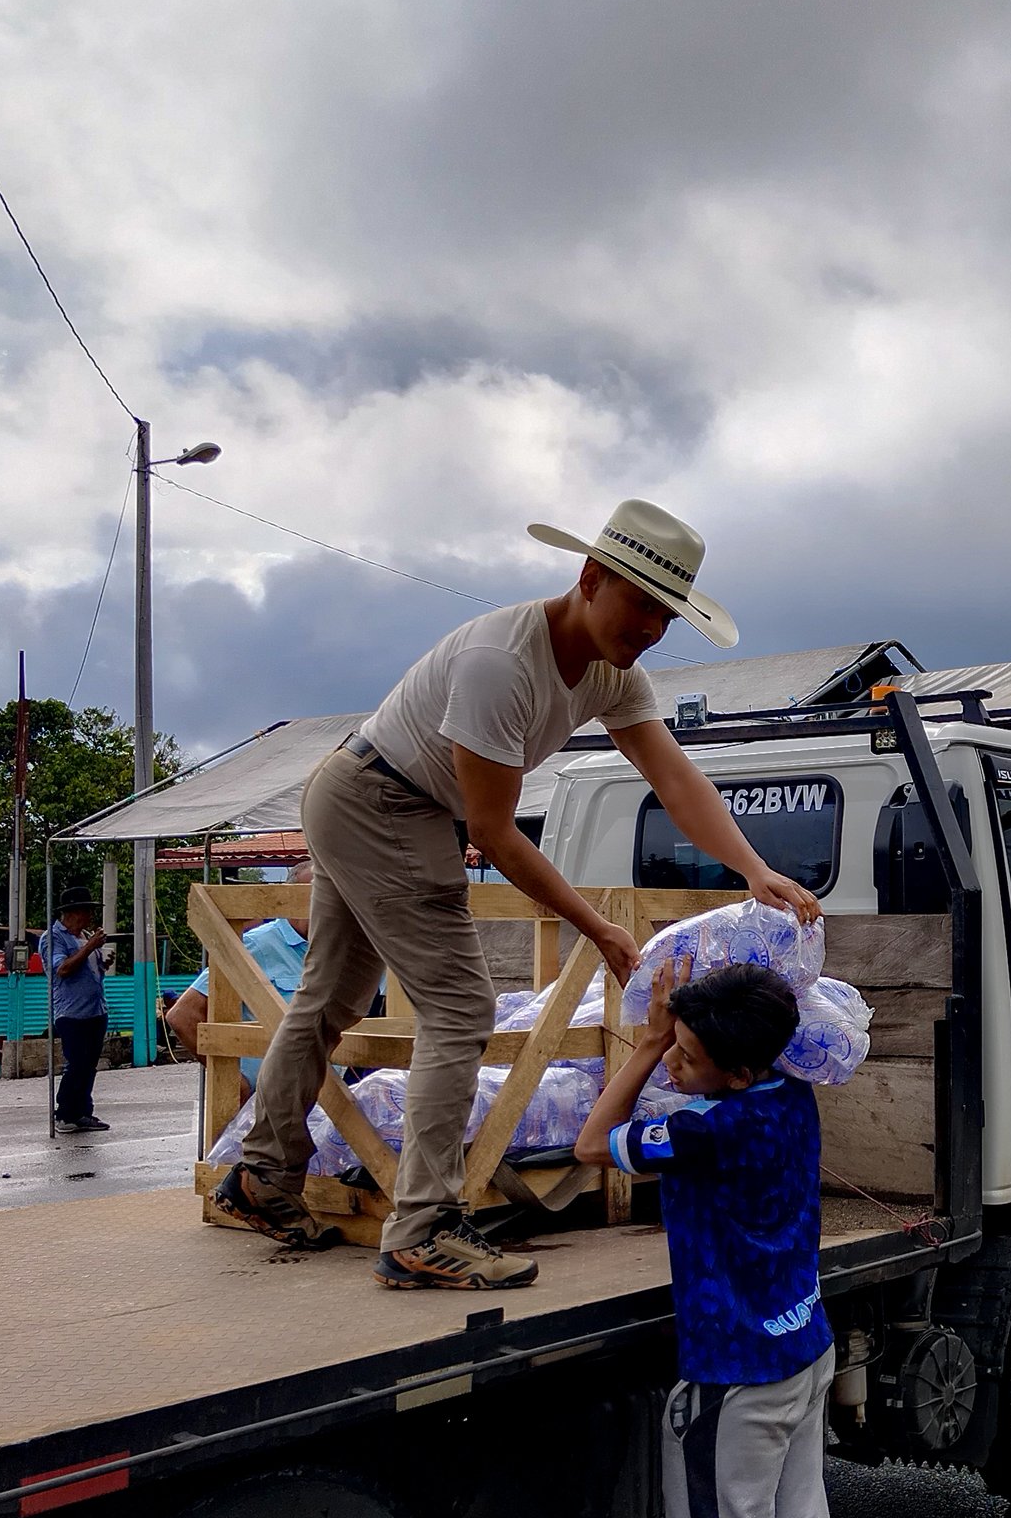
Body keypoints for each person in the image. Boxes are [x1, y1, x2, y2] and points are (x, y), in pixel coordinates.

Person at [213, 501, 824, 1290]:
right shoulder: (503, 662)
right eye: (640, 602)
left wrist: (751, 866)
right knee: (461, 1006)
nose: (650, 627)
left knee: (333, 995)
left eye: (666, 614)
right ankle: (422, 1228)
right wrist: (598, 927)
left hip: (376, 793)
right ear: (590, 577)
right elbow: (496, 835)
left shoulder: (612, 672)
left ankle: (262, 1176)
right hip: (383, 800)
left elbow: (673, 777)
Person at [576, 960, 850, 1518]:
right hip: (804, 1353)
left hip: (735, 1385)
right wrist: (683, 1031)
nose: (673, 1069)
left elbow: (592, 1143)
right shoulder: (790, 1098)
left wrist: (647, 1035)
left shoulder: (703, 1133)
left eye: (688, 1057)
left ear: (734, 1070)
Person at [167, 862, 320, 1099]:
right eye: (311, 897)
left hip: (324, 1098)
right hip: (264, 1102)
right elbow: (183, 1016)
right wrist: (235, 1081)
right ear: (287, 899)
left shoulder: (332, 950)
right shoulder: (256, 946)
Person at [40, 888, 110, 1133]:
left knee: (89, 1065)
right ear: (72, 913)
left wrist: (101, 960)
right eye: (85, 911)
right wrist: (90, 947)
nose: (89, 916)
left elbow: (90, 968)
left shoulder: (85, 935)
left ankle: (83, 1111)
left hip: (95, 1009)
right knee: (77, 1064)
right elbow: (63, 969)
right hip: (71, 1012)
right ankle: (65, 1113)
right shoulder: (54, 938)